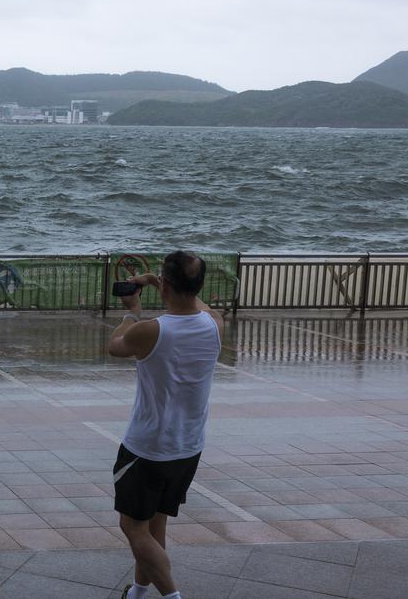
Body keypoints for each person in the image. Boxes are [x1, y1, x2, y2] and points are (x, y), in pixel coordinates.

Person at [106, 251, 223, 599]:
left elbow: (115, 346)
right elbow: (197, 306)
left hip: (147, 447)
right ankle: (139, 594)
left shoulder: (150, 330)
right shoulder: (214, 324)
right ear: (199, 286)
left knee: (132, 527)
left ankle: (172, 597)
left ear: (168, 286)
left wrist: (132, 310)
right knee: (155, 523)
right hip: (188, 446)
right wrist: (159, 282)